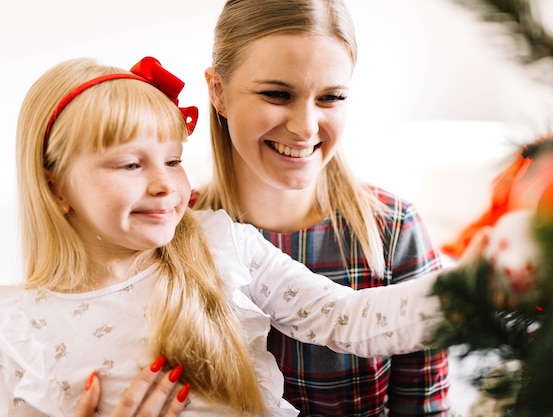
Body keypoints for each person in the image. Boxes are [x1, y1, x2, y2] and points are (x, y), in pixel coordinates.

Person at [0, 55, 478, 417]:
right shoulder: (15, 327)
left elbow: (352, 320)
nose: (166, 184)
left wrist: (484, 281)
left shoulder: (222, 245)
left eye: (173, 160)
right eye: (130, 164)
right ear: (55, 185)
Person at [192, 0, 449, 415]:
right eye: (277, 94)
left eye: (330, 97)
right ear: (218, 91)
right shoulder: (169, 233)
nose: (306, 126)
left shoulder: (395, 230)